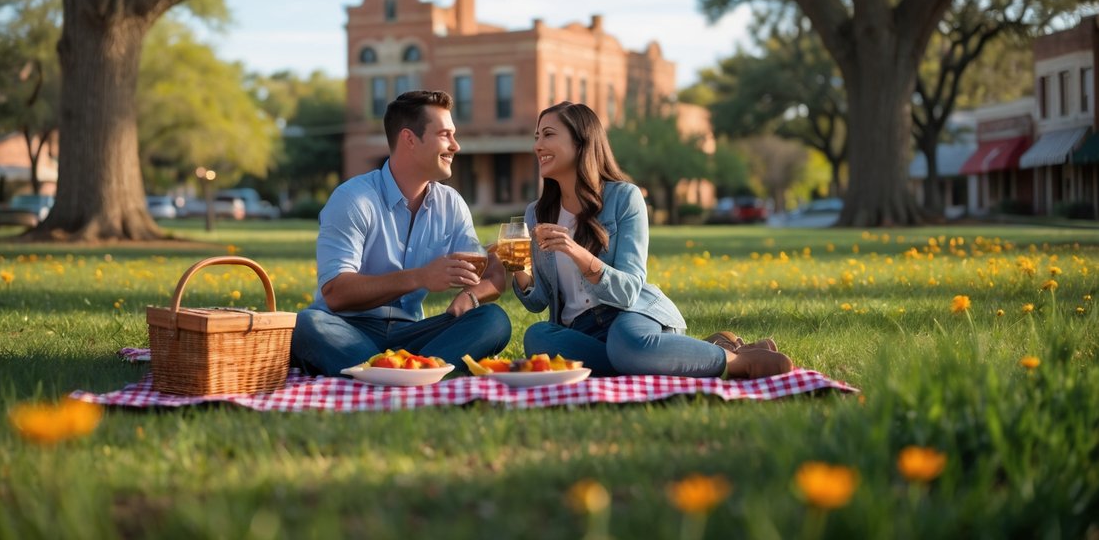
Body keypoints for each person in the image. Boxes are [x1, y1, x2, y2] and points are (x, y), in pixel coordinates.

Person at [504, 101, 794, 380]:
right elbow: (539, 301)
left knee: (626, 344)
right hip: (578, 331)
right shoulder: (537, 213)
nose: (538, 145)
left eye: (549, 135)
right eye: (537, 137)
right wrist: (517, 267)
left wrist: (575, 251)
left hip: (629, 316)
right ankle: (681, 356)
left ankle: (738, 361)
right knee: (537, 337)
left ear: (582, 142)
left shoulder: (624, 198)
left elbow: (629, 291)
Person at [293, 90, 511, 376]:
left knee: (493, 320)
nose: (455, 146)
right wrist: (420, 277)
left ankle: (385, 372)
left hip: (413, 333)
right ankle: (421, 372)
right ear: (409, 139)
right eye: (445, 135)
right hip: (347, 329)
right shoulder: (353, 199)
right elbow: (335, 293)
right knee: (308, 325)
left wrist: (471, 296)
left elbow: (491, 275)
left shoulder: (451, 204)